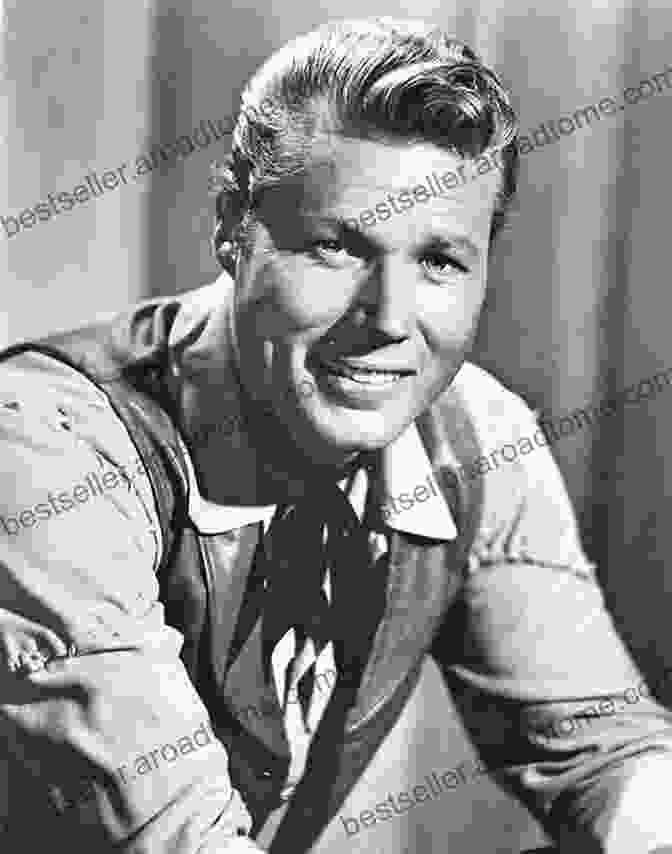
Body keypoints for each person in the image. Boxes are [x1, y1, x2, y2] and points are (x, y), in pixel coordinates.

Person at [0, 16, 671, 854]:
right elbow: (174, 843)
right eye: (335, 246)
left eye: (439, 262)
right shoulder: (48, 445)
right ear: (231, 228)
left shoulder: (476, 435)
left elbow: (602, 748)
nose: (389, 320)